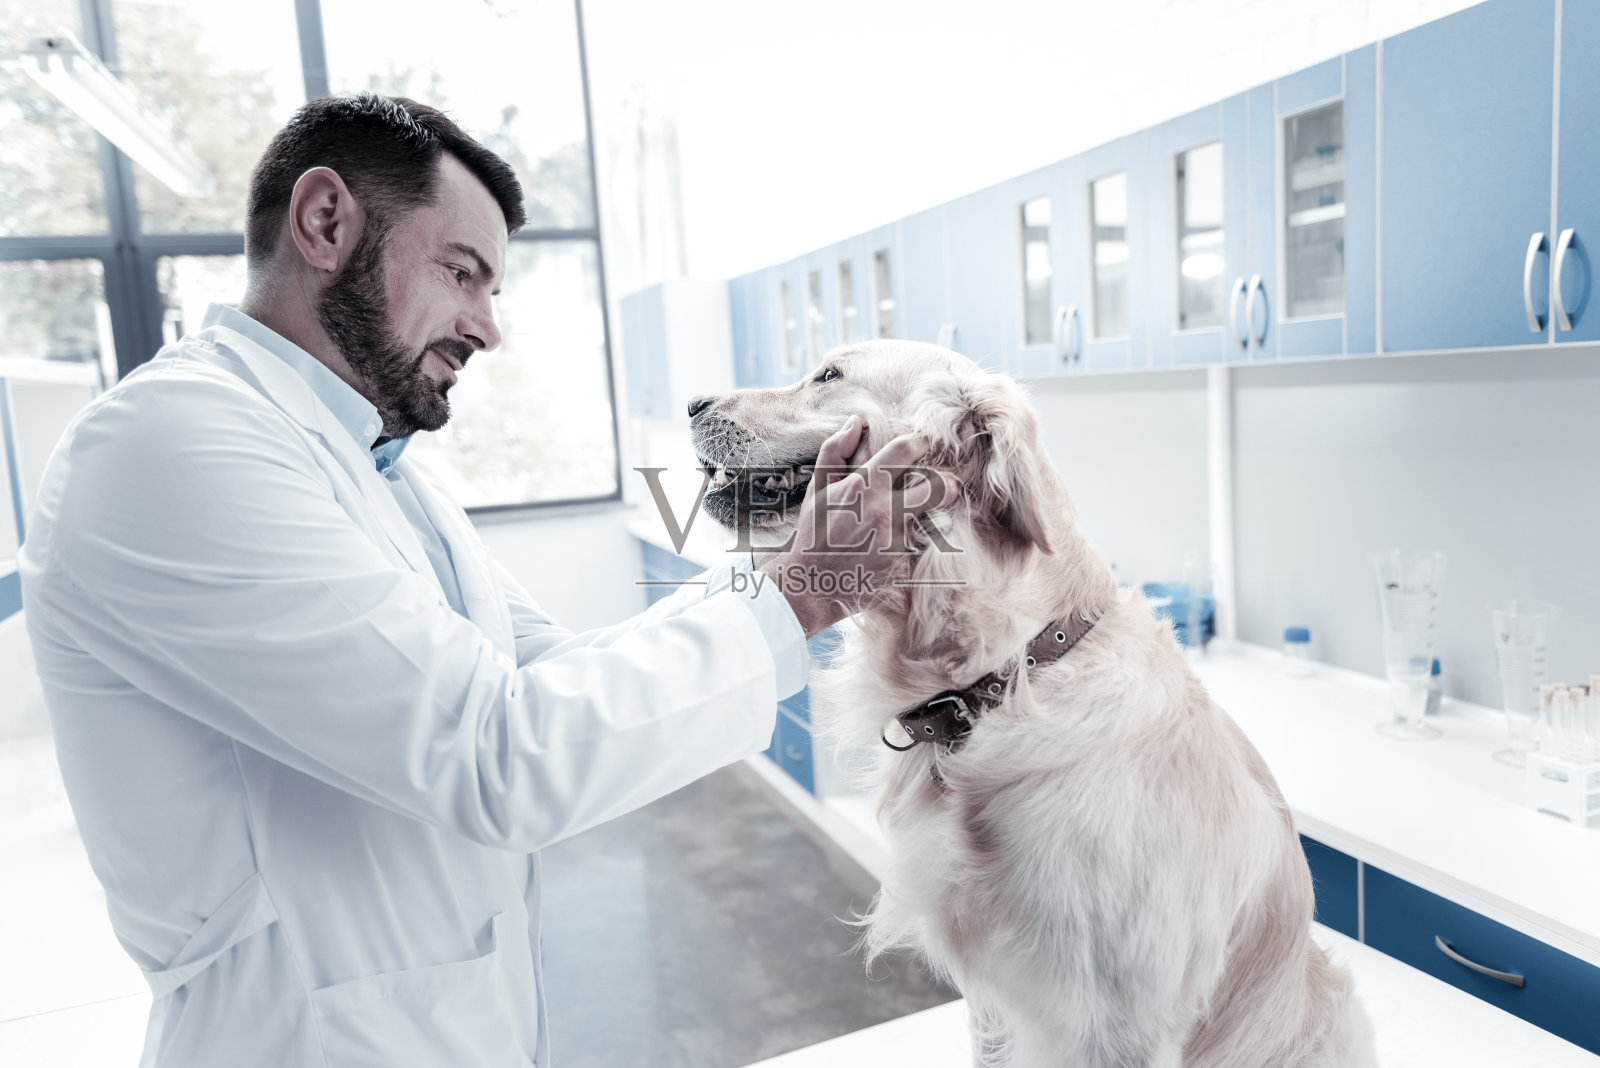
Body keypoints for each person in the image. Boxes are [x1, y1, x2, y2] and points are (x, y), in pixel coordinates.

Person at [18, 93, 925, 1067]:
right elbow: (501, 755)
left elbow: (554, 676)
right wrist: (801, 591)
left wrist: (784, 577)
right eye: (464, 273)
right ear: (325, 222)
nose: (486, 329)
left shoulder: (380, 466)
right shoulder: (170, 444)